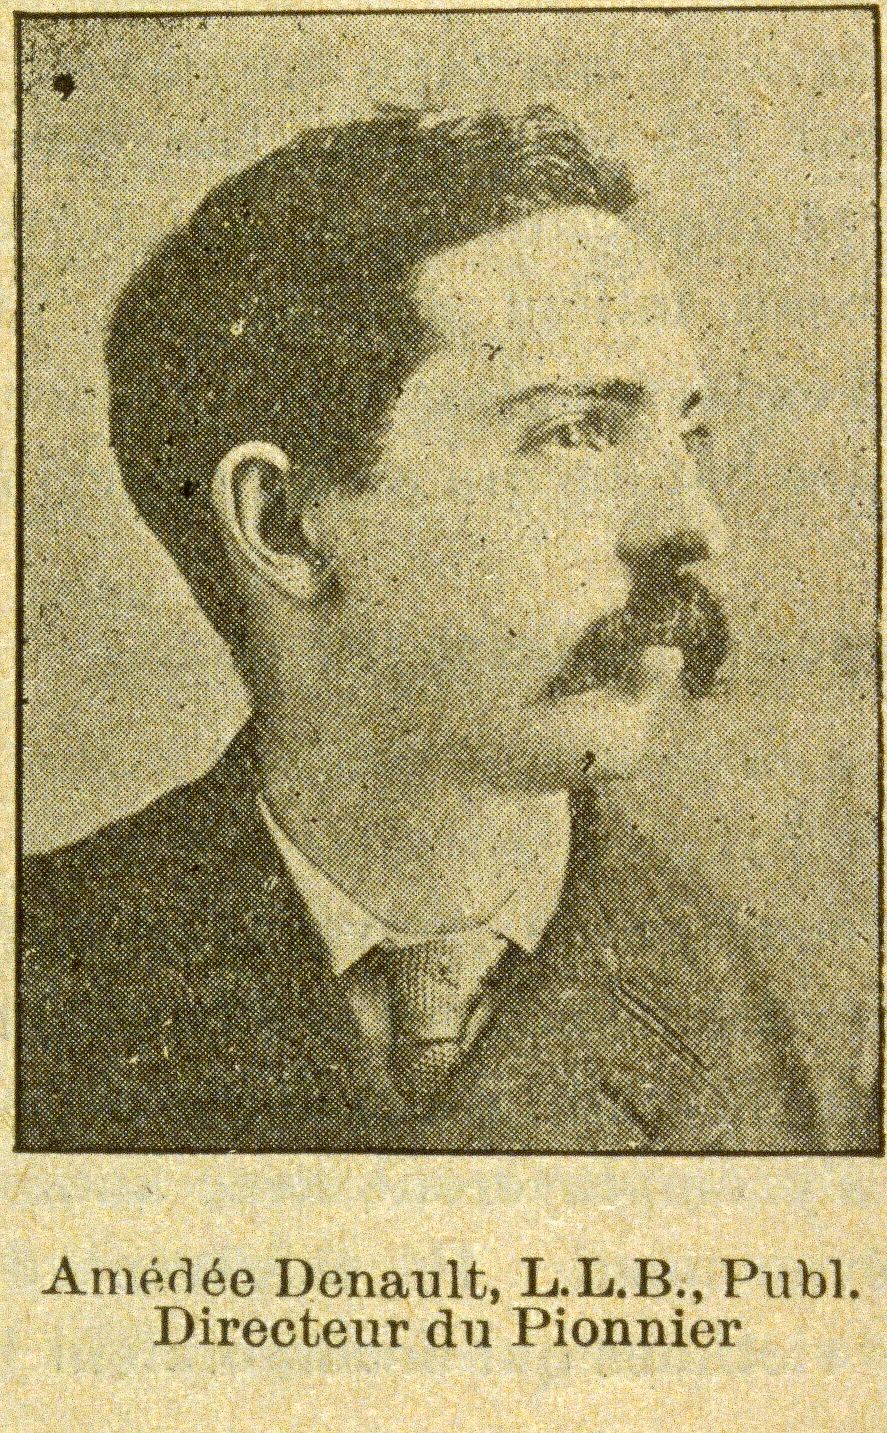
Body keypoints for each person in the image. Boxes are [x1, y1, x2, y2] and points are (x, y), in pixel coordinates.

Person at [20, 106, 821, 1152]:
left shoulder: (807, 1042)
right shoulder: (42, 984)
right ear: (285, 525)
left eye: (686, 431)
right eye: (575, 431)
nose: (693, 524)